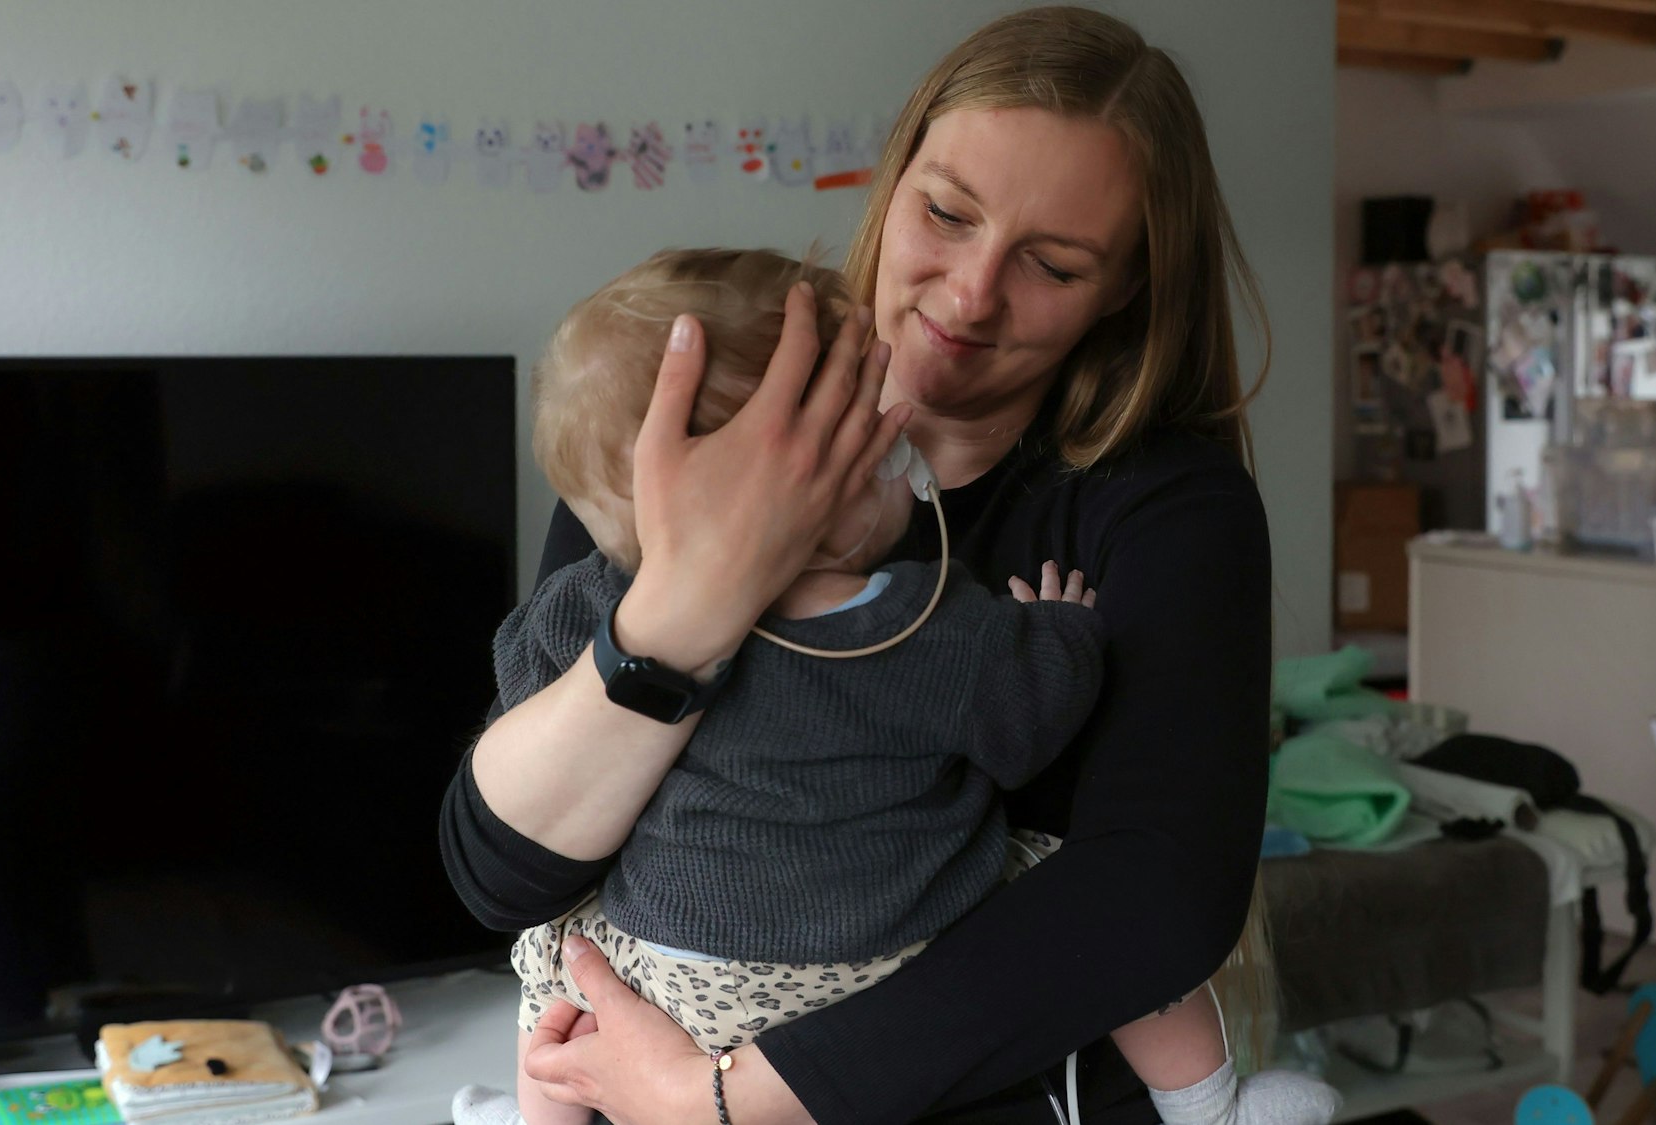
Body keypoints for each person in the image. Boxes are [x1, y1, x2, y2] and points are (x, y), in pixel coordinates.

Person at [438, 8, 1290, 1122]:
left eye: (1052, 264)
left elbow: (1152, 900)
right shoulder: (688, 435)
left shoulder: (1163, 511)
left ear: (1126, 286)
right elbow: (502, 876)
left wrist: (719, 1102)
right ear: (890, 185)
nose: (971, 293)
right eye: (944, 213)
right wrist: (688, 603)